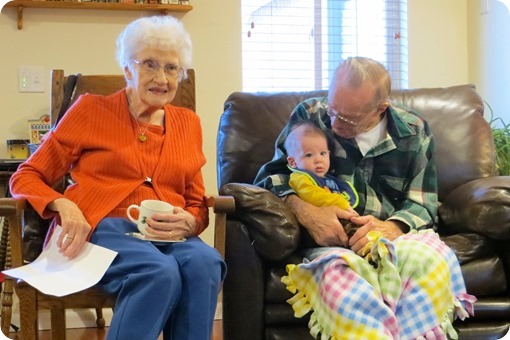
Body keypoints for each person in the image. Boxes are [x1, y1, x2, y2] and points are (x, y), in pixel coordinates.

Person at [10, 16, 225, 340]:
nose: (162, 78)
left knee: (205, 262)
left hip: (166, 236)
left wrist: (191, 222)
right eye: (150, 64)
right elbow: (27, 175)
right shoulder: (90, 111)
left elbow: (196, 202)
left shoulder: (187, 123)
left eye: (171, 68)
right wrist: (64, 206)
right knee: (157, 273)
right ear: (128, 68)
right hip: (102, 228)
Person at [255, 57, 475, 339]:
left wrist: (393, 227)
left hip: (395, 240)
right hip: (336, 243)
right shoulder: (311, 114)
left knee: (428, 261)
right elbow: (270, 178)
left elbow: (422, 202)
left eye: (347, 118)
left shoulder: (414, 131)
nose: (333, 123)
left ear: (380, 108)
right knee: (339, 279)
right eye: (332, 109)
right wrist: (304, 210)